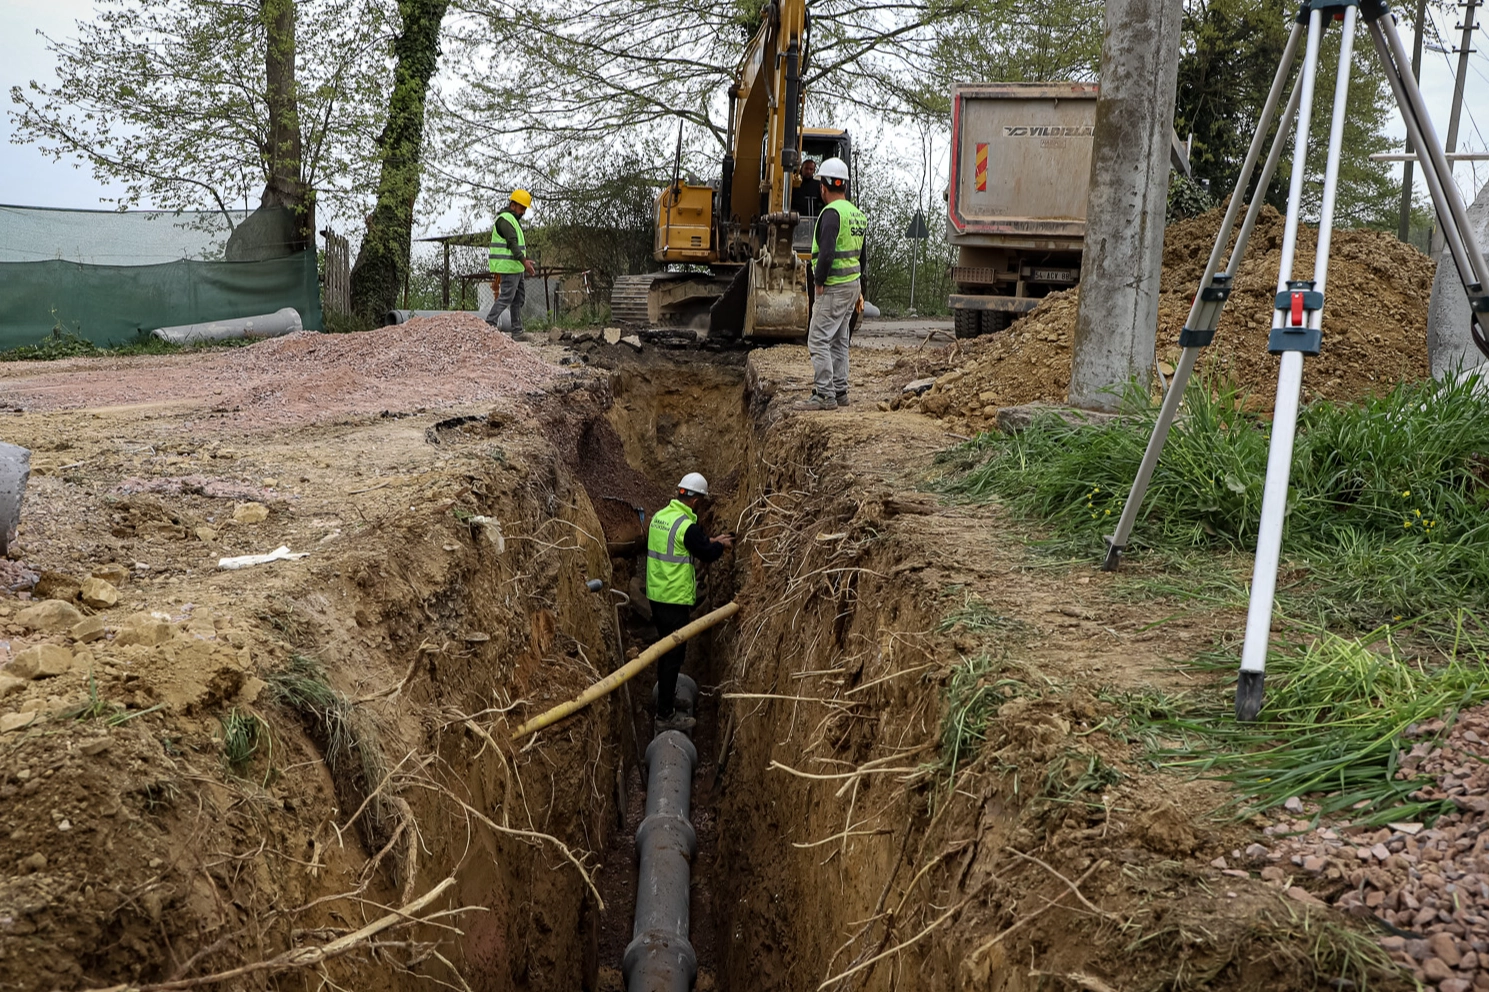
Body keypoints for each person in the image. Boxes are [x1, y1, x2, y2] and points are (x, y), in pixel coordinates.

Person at [646, 472, 734, 732]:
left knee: (665, 652)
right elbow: (705, 552)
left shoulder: (661, 517)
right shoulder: (687, 527)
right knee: (674, 656)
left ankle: (666, 699)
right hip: (673, 600)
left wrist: (711, 540)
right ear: (696, 502)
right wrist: (720, 547)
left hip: (657, 596)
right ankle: (665, 715)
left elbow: (686, 543)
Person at [793, 158, 866, 412]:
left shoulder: (831, 214)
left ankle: (825, 394)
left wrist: (819, 282)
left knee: (817, 339)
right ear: (844, 185)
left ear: (822, 187)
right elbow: (862, 257)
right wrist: (859, 286)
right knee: (839, 339)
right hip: (852, 285)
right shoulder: (856, 214)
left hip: (834, 286)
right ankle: (840, 390)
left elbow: (826, 253)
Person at [488, 190, 537, 339]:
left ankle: (517, 331)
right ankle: (489, 325)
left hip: (516, 267)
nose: (523, 212)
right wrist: (525, 262)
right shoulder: (505, 220)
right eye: (522, 208)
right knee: (506, 297)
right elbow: (512, 244)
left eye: (525, 209)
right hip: (508, 267)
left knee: (518, 298)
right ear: (513, 205)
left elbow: (516, 245)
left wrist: (523, 262)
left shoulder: (512, 220)